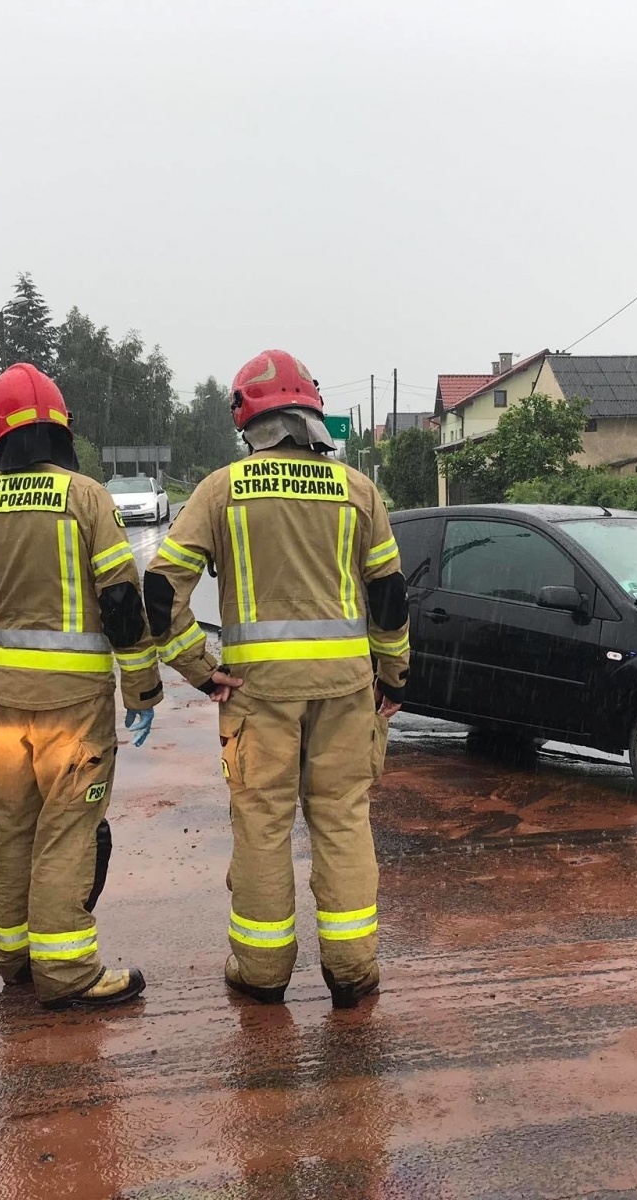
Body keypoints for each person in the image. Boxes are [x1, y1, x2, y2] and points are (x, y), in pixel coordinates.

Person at [147, 349, 411, 1010]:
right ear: (312, 413)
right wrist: (393, 678)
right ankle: (352, 971)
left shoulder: (221, 490)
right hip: (348, 693)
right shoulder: (358, 491)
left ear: (248, 419)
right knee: (344, 822)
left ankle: (262, 974)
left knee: (262, 827)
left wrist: (201, 673)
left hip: (258, 698)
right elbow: (389, 599)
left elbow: (159, 594)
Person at [0, 363, 160, 1010]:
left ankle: (13, 956)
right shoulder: (85, 497)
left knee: (14, 827)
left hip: (10, 705)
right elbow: (121, 600)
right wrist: (141, 689)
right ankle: (66, 970)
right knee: (68, 831)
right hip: (74, 707)